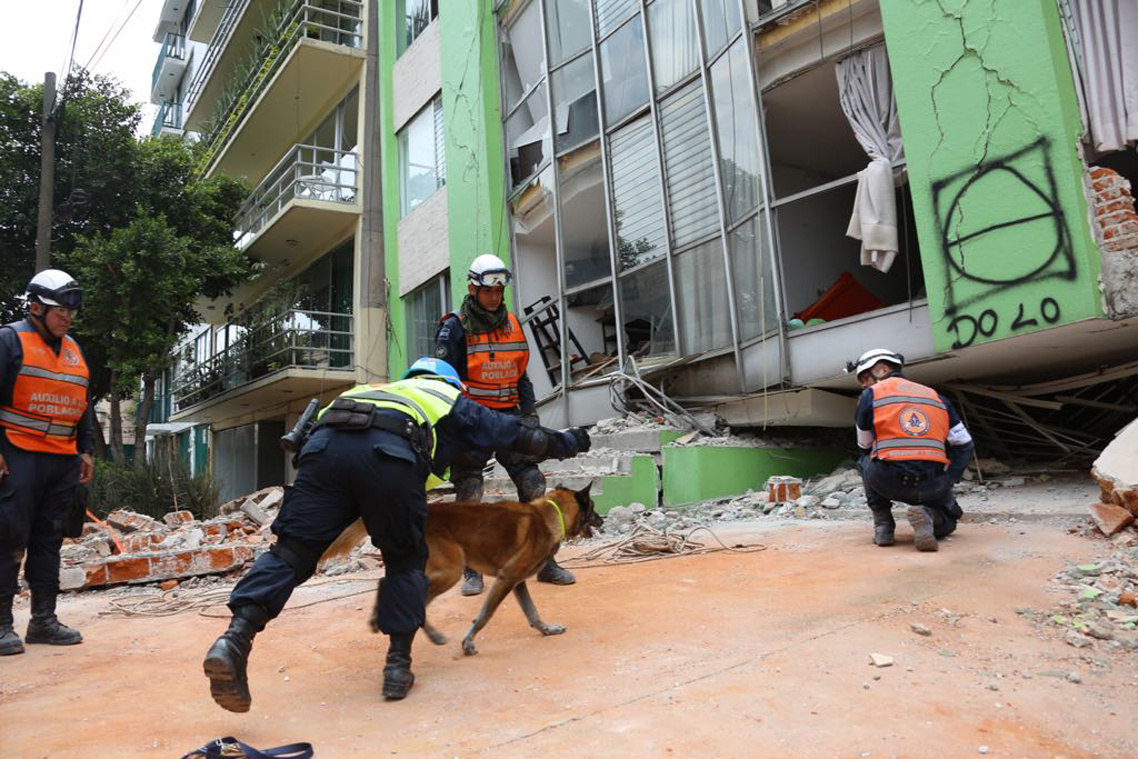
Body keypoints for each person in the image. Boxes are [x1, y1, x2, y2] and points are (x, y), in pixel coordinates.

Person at [202, 357, 591, 711]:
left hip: (324, 456)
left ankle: (234, 639)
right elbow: (516, 435)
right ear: (454, 385)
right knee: (405, 561)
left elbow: (309, 445)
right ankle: (397, 668)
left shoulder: (366, 390)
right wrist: (570, 441)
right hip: (390, 456)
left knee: (290, 553)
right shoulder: (445, 396)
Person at [434, 253, 575, 595]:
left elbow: (521, 375)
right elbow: (444, 381)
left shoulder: (512, 323)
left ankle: (544, 562)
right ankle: (472, 569)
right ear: (472, 288)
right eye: (488, 290)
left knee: (533, 484)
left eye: (500, 290)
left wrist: (530, 417)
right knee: (470, 493)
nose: (495, 296)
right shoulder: (454, 327)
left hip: (510, 418)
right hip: (473, 421)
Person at [0, 269, 94, 656]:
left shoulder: (73, 348)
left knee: (49, 541)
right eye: (60, 309)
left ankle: (43, 621)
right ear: (36, 307)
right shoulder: (9, 340)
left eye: (71, 311)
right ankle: (2, 625)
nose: (67, 317)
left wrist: (85, 450)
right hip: (17, 454)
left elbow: (82, 403)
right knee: (7, 539)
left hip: (61, 459)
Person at [847, 348, 974, 552]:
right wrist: (949, 479)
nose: (863, 384)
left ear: (882, 369)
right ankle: (929, 515)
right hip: (932, 484)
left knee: (864, 460)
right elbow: (964, 443)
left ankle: (883, 526)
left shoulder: (870, 395)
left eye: (864, 377)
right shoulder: (937, 397)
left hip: (887, 481)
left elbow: (864, 444)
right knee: (949, 523)